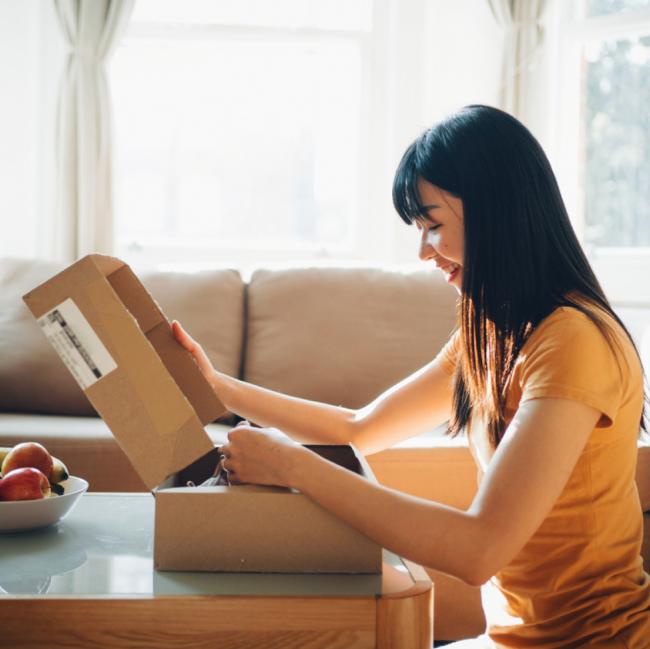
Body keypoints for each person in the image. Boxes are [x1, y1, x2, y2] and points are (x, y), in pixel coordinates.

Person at [172, 105, 650, 648]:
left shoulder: (574, 342)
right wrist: (217, 388)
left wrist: (291, 464)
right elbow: (361, 426)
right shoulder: (491, 330)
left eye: (433, 225)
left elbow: (478, 549)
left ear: (496, 211)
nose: (425, 251)